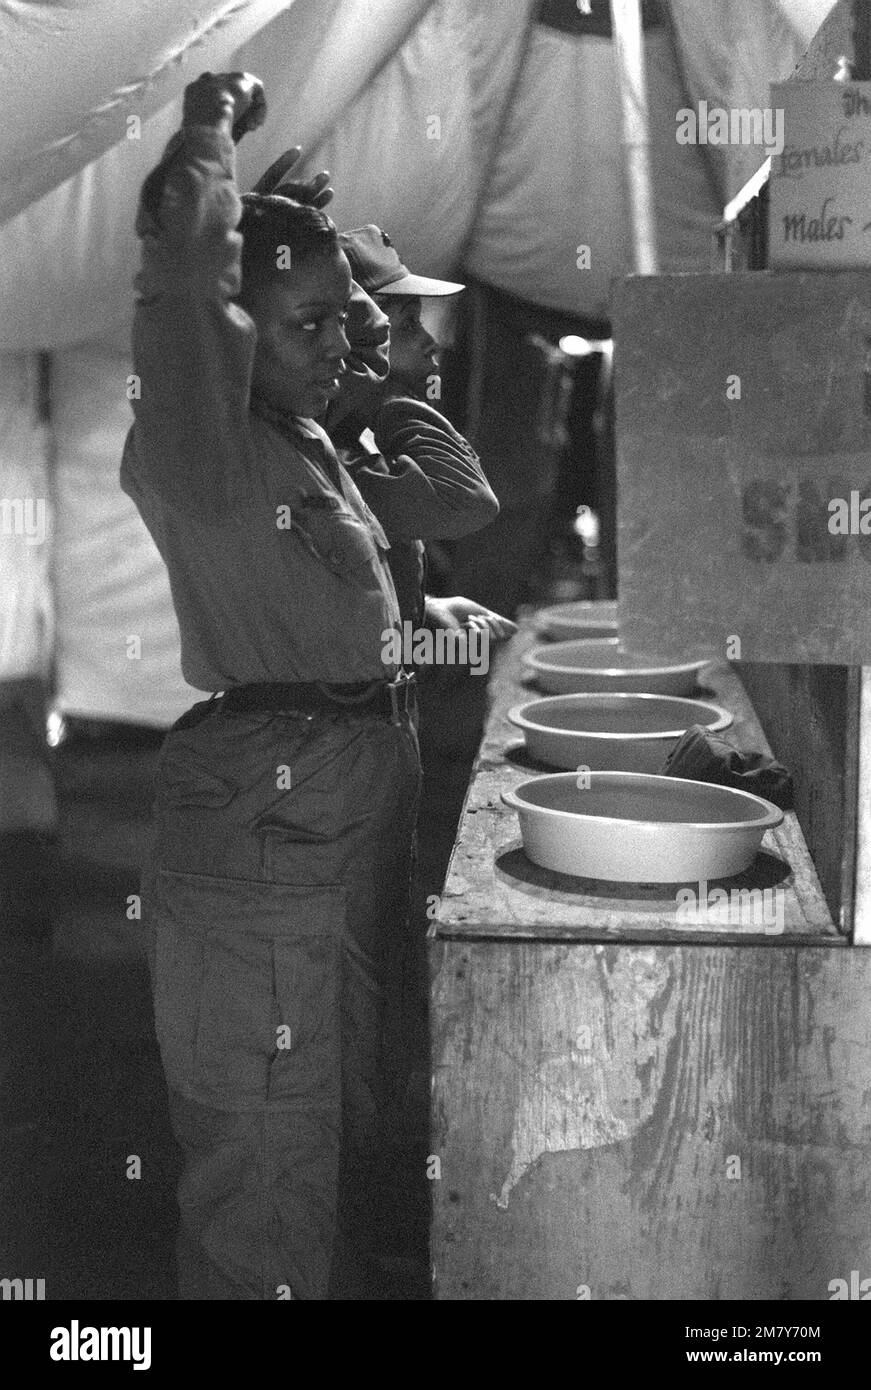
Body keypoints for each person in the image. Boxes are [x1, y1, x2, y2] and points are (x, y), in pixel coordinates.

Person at [120, 69, 425, 1300]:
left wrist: (412, 626)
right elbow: (183, 272)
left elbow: (321, 599)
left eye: (345, 315)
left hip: (324, 823)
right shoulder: (199, 435)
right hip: (266, 837)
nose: (343, 343)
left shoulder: (294, 435)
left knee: (332, 1135)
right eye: (308, 323)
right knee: (266, 1169)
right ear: (236, 333)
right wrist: (211, 129)